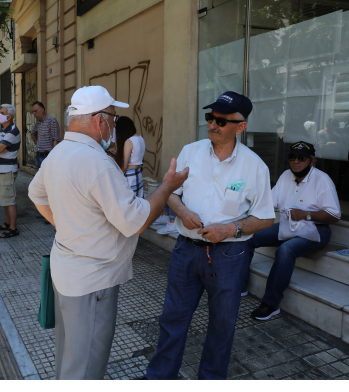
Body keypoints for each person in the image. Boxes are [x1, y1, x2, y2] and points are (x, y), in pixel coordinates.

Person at [28, 86, 189, 380]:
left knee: (70, 358)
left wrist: (67, 226)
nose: (114, 126)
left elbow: (36, 194)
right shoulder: (97, 162)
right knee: (87, 365)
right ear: (100, 120)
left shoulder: (58, 153)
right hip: (92, 280)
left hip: (68, 273)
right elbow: (136, 221)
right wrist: (166, 188)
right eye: (113, 119)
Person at [145, 91, 275, 380]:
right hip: (185, 251)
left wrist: (231, 229)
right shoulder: (191, 152)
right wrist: (181, 211)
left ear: (240, 126)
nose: (212, 125)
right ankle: (159, 378)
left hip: (230, 256)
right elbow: (172, 194)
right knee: (172, 318)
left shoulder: (255, 166)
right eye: (209, 118)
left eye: (221, 121)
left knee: (222, 325)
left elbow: (265, 216)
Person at [248, 141, 340, 320]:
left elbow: (334, 215)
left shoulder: (322, 180)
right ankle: (240, 286)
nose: (296, 161)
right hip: (288, 226)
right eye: (292, 157)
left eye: (302, 158)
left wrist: (307, 215)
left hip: (316, 230)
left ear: (311, 161)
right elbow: (269, 203)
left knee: (285, 250)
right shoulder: (285, 177)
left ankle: (270, 303)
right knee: (249, 236)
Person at [0, 104, 21, 239]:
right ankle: (8, 223)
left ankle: (13, 228)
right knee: (4, 198)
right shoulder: (1, 131)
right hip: (0, 171)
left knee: (9, 199)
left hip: (7, 170)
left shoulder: (13, 131)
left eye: (2, 113)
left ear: (9, 116)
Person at [115, 116, 146, 198]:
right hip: (138, 173)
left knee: (128, 201)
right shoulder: (140, 138)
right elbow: (135, 158)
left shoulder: (129, 141)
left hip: (130, 175)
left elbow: (124, 166)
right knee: (138, 201)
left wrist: (117, 178)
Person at [30, 101, 60, 168]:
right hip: (38, 155)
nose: (34, 114)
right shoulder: (38, 123)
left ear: (42, 110)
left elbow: (56, 139)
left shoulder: (52, 121)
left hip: (47, 156)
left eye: (35, 111)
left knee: (48, 177)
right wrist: (38, 144)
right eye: (33, 112)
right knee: (40, 177)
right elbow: (32, 134)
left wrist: (53, 156)